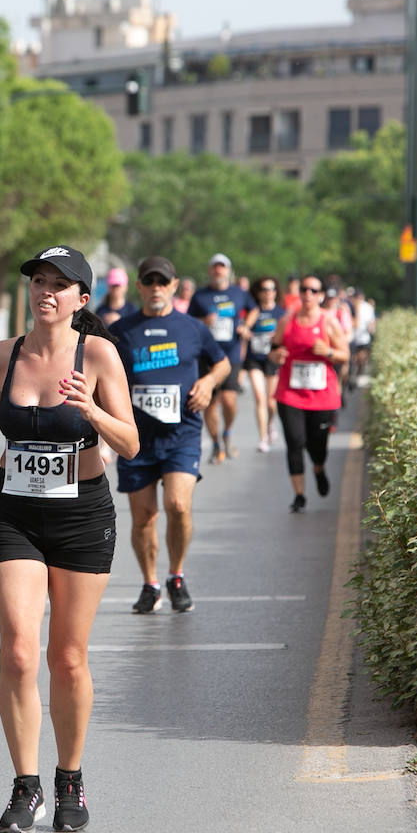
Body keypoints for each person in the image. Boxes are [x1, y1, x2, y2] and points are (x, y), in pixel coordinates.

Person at [0, 245, 138, 833]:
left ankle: (70, 778)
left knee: (66, 657)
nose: (46, 291)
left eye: (59, 284)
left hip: (82, 517)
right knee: (18, 651)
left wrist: (93, 411)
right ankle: (26, 785)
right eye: (39, 281)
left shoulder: (99, 355)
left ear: (80, 299)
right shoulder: (2, 355)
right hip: (14, 514)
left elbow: (130, 442)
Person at [109, 256, 228, 614]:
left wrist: (208, 382)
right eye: (149, 282)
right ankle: (151, 584)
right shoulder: (121, 330)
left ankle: (176, 575)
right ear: (139, 287)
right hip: (137, 437)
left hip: (182, 433)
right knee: (144, 516)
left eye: (163, 282)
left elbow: (222, 363)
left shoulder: (192, 328)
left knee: (177, 505)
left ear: (174, 286)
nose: (156, 288)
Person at [268, 274, 350, 514]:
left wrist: (328, 352)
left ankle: (319, 467)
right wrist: (275, 356)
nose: (308, 294)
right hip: (290, 393)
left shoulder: (328, 322)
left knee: (317, 445)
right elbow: (273, 349)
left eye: (314, 291)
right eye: (304, 289)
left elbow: (344, 354)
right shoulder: (287, 320)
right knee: (294, 442)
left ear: (321, 295)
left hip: (322, 396)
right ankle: (299, 495)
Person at [187, 252, 255, 463]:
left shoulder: (238, 293)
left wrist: (246, 326)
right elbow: (188, 321)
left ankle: (228, 432)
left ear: (228, 270)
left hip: (231, 353)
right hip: (207, 355)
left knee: (229, 399)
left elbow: (254, 310)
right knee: (209, 402)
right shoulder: (200, 296)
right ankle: (216, 444)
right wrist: (203, 321)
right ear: (210, 270)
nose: (218, 270)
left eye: (222, 267)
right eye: (215, 267)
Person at [242, 276, 283, 453]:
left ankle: (270, 424)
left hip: (272, 359)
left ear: (275, 292)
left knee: (271, 402)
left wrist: (276, 337)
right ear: (258, 293)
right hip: (254, 358)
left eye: (271, 289)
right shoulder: (255, 311)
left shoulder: (281, 313)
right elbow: (245, 328)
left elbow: (286, 334)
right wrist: (246, 332)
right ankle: (263, 438)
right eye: (264, 290)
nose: (268, 293)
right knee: (259, 397)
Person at [349, 289, 377, 389]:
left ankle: (356, 377)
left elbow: (371, 321)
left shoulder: (367, 307)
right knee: (352, 359)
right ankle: (351, 377)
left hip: (363, 338)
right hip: (352, 338)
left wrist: (372, 328)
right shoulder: (349, 305)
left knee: (361, 358)